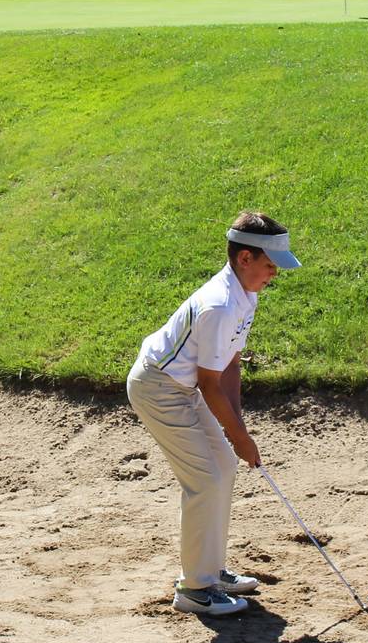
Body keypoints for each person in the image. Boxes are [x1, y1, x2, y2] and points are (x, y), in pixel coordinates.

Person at [127, 211, 300, 617]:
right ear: (245, 259)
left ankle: (210, 571)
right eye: (270, 264)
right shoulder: (220, 305)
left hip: (184, 386)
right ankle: (194, 590)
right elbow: (209, 382)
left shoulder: (247, 295)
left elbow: (231, 366)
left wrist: (238, 429)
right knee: (205, 479)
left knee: (222, 464)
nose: (274, 274)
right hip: (159, 389)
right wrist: (239, 437)